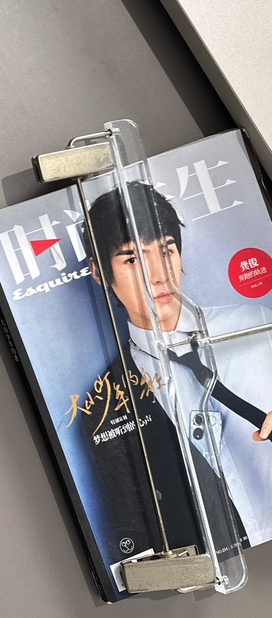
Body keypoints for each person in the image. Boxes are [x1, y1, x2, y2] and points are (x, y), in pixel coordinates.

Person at [84, 181, 272, 552]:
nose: (159, 275)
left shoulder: (259, 325)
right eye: (132, 259)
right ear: (100, 273)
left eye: (167, 250)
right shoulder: (106, 402)